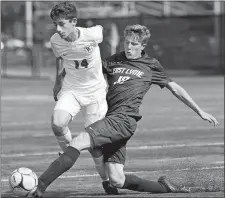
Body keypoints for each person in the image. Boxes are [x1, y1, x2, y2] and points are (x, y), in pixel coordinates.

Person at [33, 24, 218, 197]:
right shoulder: (113, 60)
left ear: (143, 45)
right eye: (127, 42)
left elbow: (175, 88)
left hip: (123, 120)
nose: (129, 47)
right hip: (110, 119)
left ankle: (40, 185)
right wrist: (61, 78)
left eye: (134, 44)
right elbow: (84, 66)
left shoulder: (151, 65)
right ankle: (163, 187)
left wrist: (199, 111)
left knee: (78, 142)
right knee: (117, 179)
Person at [48, 2, 117, 194]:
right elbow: (60, 58)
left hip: (96, 93)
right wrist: (57, 81)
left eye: (62, 24)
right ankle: (69, 151)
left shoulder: (92, 34)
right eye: (55, 25)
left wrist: (110, 64)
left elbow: (104, 30)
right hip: (72, 89)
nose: (58, 29)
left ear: (74, 21)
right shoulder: (55, 40)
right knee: (57, 123)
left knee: (95, 146)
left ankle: (106, 181)